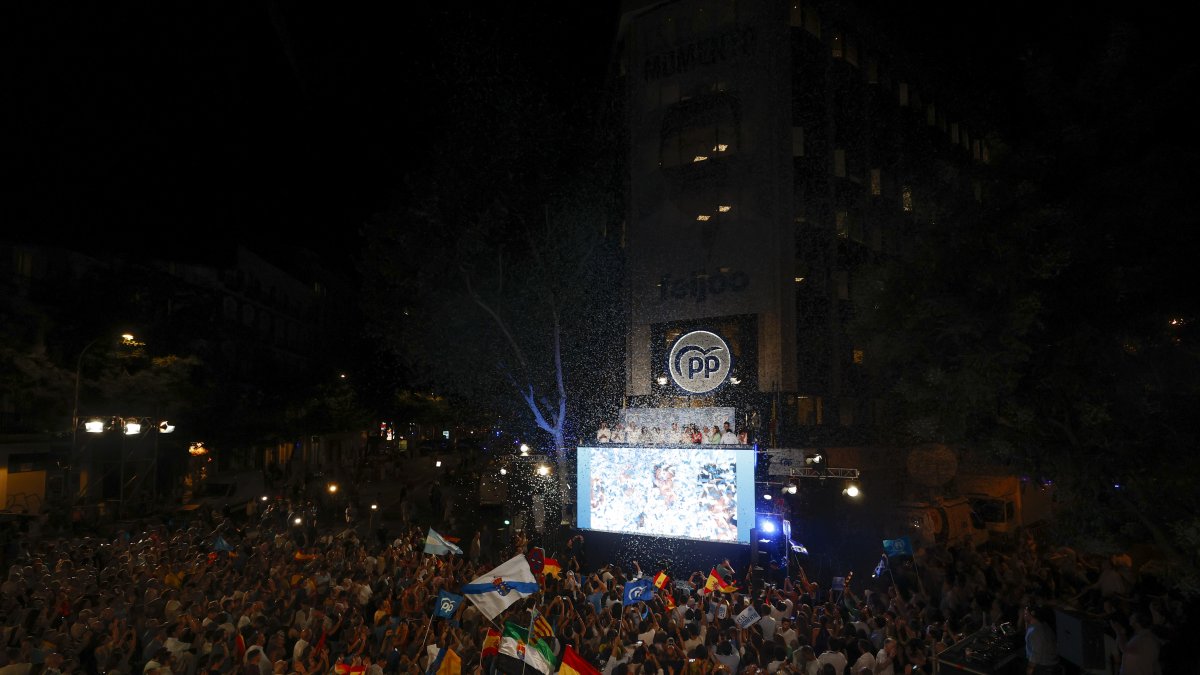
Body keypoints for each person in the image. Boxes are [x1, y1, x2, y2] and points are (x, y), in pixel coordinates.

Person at [1023, 605, 1059, 675]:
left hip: (1044, 665)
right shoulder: (1038, 624)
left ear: (1031, 615)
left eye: (1025, 613)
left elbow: (1037, 652)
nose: (1023, 615)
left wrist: (1030, 668)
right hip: (1046, 662)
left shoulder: (1037, 631)